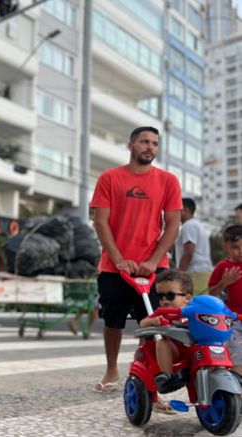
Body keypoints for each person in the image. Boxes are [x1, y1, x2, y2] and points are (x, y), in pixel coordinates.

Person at [90, 126, 182, 394]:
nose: (150, 147)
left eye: (154, 143)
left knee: (156, 326)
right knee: (113, 321)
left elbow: (173, 224)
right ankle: (111, 370)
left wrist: (154, 260)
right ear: (130, 145)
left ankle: (153, 380)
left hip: (154, 269)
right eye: (144, 142)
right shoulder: (109, 178)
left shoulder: (168, 181)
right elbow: (100, 221)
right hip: (114, 268)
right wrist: (118, 259)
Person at [139, 269, 193, 413]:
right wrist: (153, 320)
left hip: (194, 351)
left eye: (170, 295)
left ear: (186, 298)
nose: (164, 300)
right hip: (174, 351)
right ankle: (167, 376)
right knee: (162, 342)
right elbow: (142, 323)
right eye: (160, 296)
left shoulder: (193, 311)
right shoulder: (162, 312)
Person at [208, 224, 242, 375]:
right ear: (226, 247)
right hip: (233, 320)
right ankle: (238, 393)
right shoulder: (223, 267)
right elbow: (212, 294)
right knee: (236, 358)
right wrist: (225, 282)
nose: (240, 251)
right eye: (235, 247)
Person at [175, 198, 213, 295]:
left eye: (177, 209)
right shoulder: (197, 225)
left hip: (195, 273)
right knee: (201, 307)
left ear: (185, 210)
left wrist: (180, 274)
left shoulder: (189, 226)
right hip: (202, 273)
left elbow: (188, 253)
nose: (175, 212)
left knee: (194, 306)